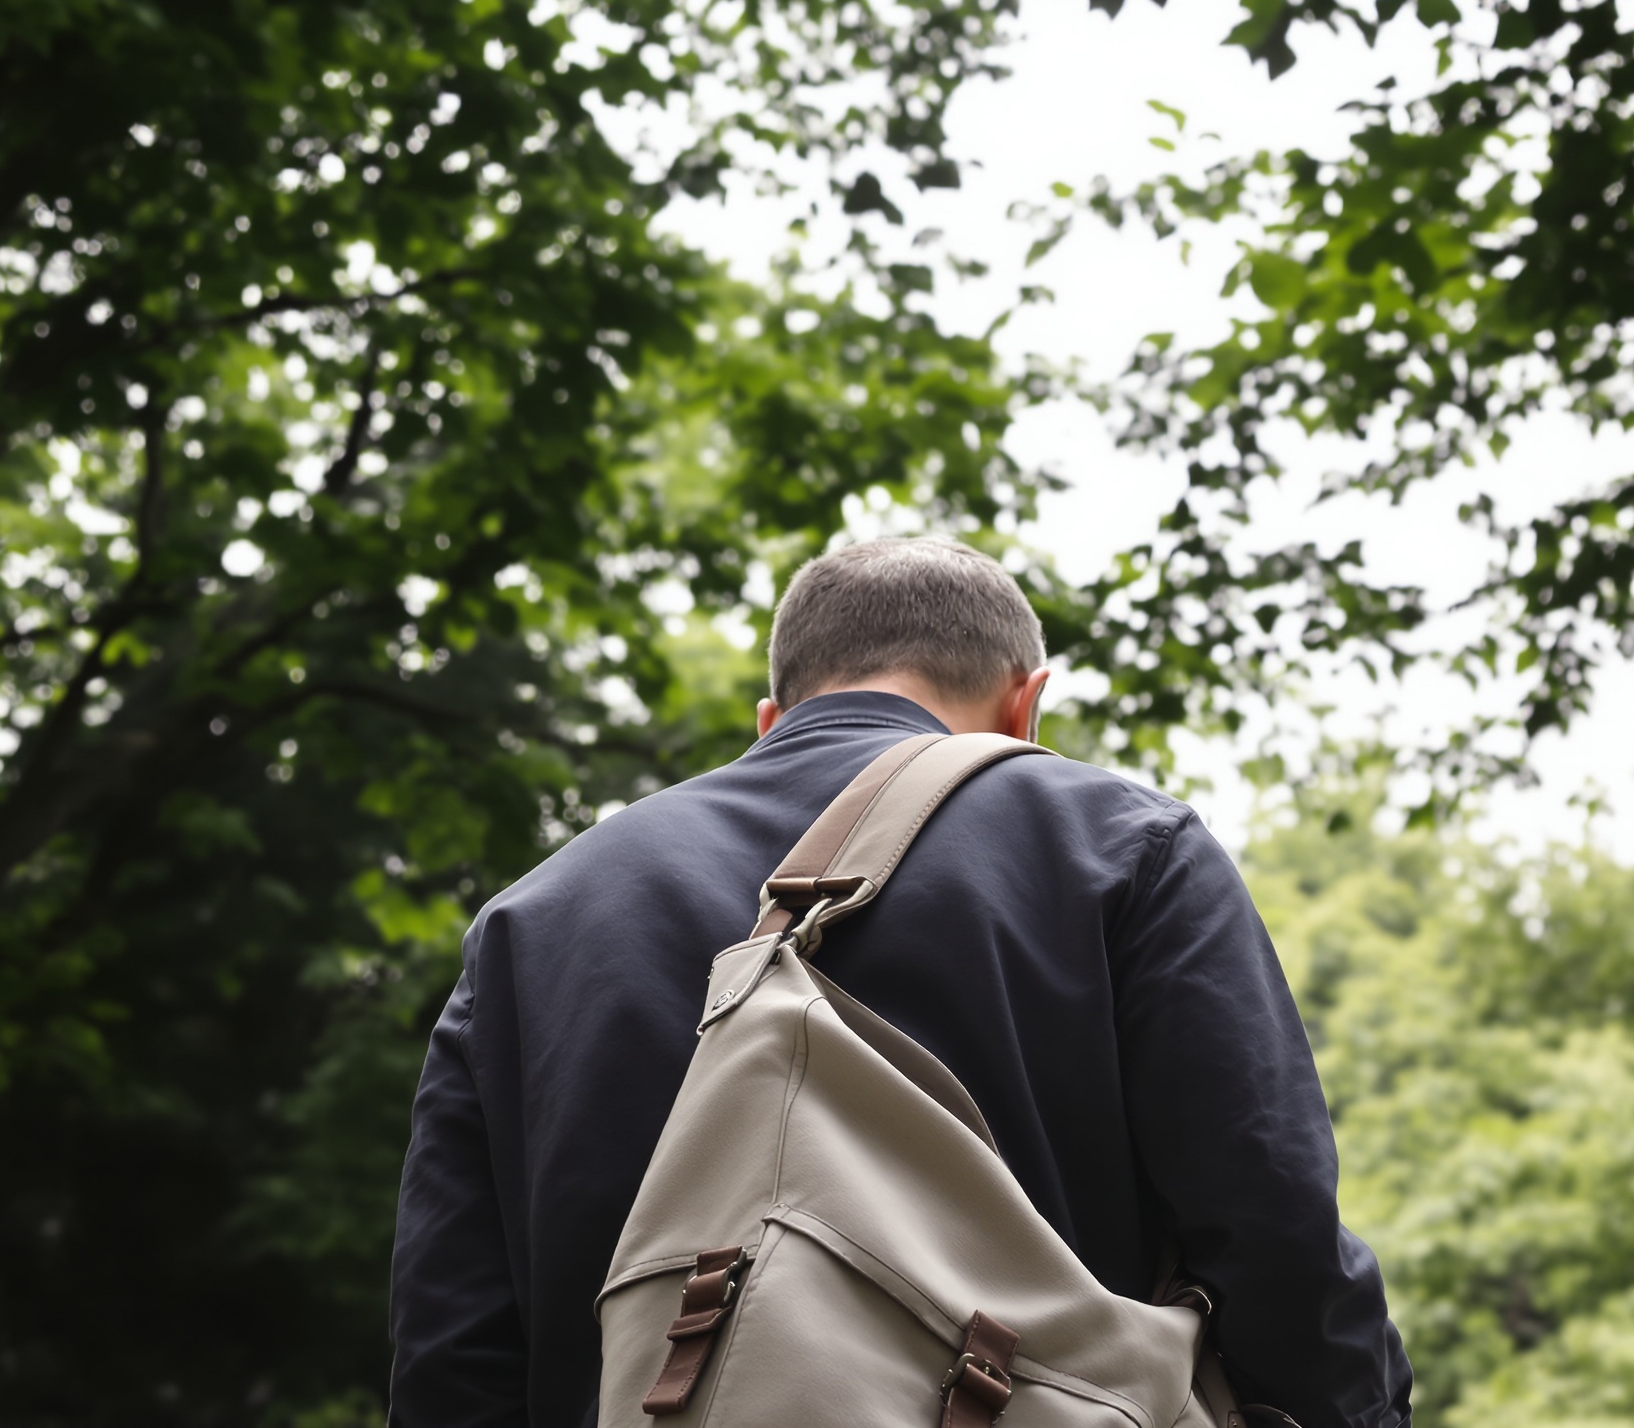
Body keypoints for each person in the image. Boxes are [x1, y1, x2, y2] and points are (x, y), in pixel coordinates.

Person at [387, 537, 1411, 1428]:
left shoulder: (532, 923)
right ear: (1024, 704)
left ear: (769, 717)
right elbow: (1272, 1232)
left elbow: (453, 1357)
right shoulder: (1121, 848)